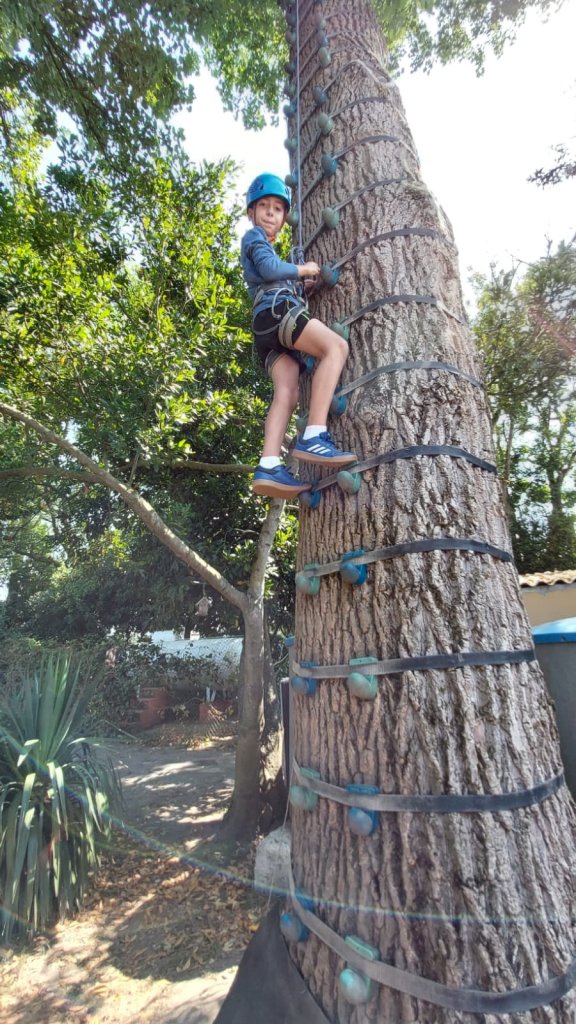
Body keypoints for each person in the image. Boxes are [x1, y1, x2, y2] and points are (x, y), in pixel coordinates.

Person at [241, 172, 357, 498]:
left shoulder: (266, 249)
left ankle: (268, 464)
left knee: (288, 392)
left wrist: (299, 284)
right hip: (277, 313)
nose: (270, 213)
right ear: (251, 212)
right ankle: (314, 435)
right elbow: (270, 269)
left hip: (266, 330)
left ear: (283, 217)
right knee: (335, 347)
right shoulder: (254, 238)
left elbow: (273, 273)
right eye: (263, 206)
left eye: (277, 209)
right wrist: (302, 269)